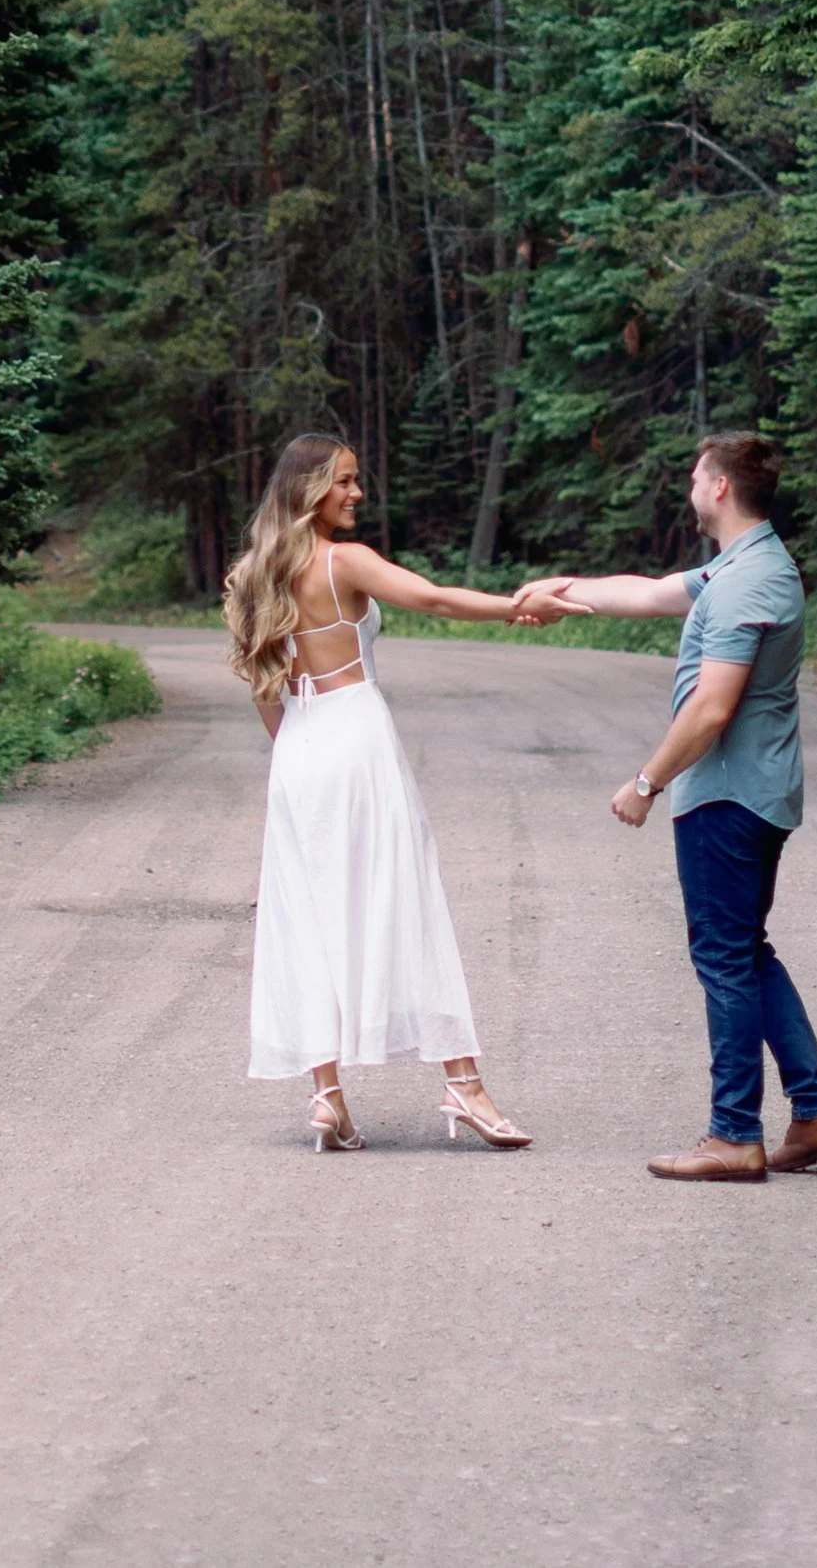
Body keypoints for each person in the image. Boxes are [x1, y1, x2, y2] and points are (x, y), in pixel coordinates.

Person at [520, 433, 817, 1183]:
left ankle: (734, 1132)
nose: (690, 485)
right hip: (749, 790)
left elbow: (711, 709)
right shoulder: (745, 564)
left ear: (722, 487)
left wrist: (645, 782)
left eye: (697, 475)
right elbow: (645, 591)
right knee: (745, 949)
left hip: (729, 792)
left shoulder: (747, 583)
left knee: (724, 958)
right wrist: (558, 589)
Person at [224, 431, 534, 1153]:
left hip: (299, 747)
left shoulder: (250, 576)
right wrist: (516, 606)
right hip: (357, 734)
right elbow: (431, 598)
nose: (356, 493)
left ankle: (327, 1094)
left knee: (309, 910)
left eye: (356, 480)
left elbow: (264, 692)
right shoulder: (344, 562)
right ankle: (463, 1083)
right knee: (406, 896)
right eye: (343, 481)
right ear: (307, 488)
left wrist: (299, 751)